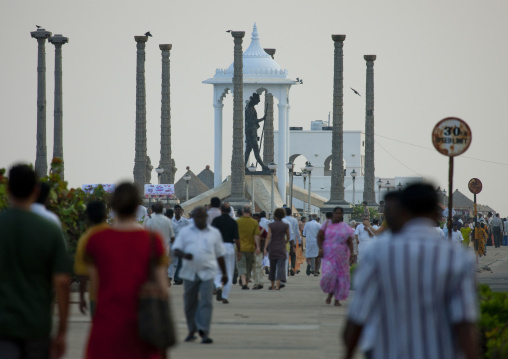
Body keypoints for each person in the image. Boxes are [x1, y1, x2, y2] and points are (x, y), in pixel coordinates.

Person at [343, 184, 478, 359]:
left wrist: (347, 354)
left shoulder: (378, 252)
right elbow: (465, 323)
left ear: (402, 211)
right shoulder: (457, 257)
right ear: (437, 214)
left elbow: (357, 317)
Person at [85, 183, 169, 359]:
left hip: (106, 324)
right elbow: (162, 289)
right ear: (137, 206)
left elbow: (94, 288)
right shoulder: (153, 242)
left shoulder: (96, 240)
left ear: (113, 206)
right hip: (142, 327)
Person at [0, 164, 71, 359]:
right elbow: (62, 282)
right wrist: (63, 331)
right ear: (36, 190)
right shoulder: (49, 229)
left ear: (7, 189)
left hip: (4, 325)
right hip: (36, 325)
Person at [173, 207, 227, 344]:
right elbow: (176, 249)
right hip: (189, 273)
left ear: (206, 218)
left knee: (206, 301)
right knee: (190, 302)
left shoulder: (214, 233)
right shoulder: (186, 232)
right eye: (198, 217)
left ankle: (204, 330)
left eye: (203, 217)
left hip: (207, 272)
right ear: (194, 217)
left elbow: (220, 255)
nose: (201, 219)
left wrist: (224, 273)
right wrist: (184, 255)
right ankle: (192, 329)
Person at [74, 201, 109, 316]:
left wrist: (81, 297)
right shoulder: (116, 234)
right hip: (118, 295)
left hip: (96, 296)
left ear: (87, 217)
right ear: (106, 215)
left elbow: (83, 275)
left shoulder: (85, 240)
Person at [316, 207, 355, 306]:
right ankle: (330, 294)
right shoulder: (327, 224)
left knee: (339, 278)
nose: (338, 215)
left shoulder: (344, 227)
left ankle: (336, 299)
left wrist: (352, 254)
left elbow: (350, 242)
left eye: (340, 213)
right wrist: (320, 248)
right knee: (329, 275)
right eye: (336, 213)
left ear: (342, 215)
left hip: (341, 256)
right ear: (333, 214)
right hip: (329, 255)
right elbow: (319, 236)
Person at [211, 203, 240, 304]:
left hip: (218, 247)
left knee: (217, 270)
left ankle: (218, 286)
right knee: (229, 272)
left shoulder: (216, 221)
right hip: (229, 247)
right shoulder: (233, 222)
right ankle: (224, 296)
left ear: (221, 210)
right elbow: (237, 239)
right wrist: (239, 251)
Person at [145, 201, 175, 288]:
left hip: (153, 247)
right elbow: (172, 236)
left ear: (153, 209)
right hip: (165, 247)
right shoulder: (167, 220)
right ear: (163, 210)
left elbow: (147, 235)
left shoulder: (150, 221)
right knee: (164, 266)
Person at [263, 208, 290, 290]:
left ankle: (272, 285)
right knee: (281, 267)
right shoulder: (285, 225)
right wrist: (285, 241)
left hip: (273, 247)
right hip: (281, 247)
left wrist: (265, 248)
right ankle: (278, 285)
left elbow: (268, 237)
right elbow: (288, 237)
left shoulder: (271, 225)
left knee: (273, 267)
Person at [236, 205, 261, 290]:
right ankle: (246, 283)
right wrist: (258, 247)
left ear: (242, 212)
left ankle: (243, 283)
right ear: (250, 212)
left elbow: (235, 236)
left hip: (239, 248)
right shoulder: (254, 222)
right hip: (250, 248)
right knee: (249, 266)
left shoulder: (238, 222)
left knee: (241, 265)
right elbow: (256, 236)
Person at [170, 204, 189, 285]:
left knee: (181, 262)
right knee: (173, 262)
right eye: (176, 209)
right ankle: (173, 277)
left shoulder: (185, 221)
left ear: (181, 211)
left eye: (179, 209)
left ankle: (178, 279)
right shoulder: (171, 221)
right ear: (174, 211)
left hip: (182, 244)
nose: (178, 211)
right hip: (172, 244)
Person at [284, 208, 301, 276]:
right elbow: (297, 231)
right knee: (293, 254)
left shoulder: (283, 220)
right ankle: (292, 267)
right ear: (291, 213)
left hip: (284, 240)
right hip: (292, 240)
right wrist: (299, 241)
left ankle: (287, 270)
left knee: (286, 255)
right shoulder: (294, 220)